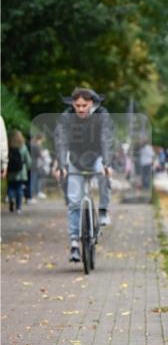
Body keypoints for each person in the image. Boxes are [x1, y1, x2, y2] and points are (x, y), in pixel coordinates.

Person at [53, 87, 115, 262]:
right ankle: (74, 243)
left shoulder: (102, 115)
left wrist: (107, 164)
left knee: (104, 174)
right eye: (77, 105)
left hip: (97, 155)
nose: (80, 109)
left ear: (92, 103)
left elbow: (106, 139)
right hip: (75, 158)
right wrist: (62, 165)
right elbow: (61, 141)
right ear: (73, 104)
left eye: (84, 105)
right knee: (74, 201)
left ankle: (103, 211)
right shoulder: (66, 117)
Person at [5, 130, 30, 214]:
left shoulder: (8, 146)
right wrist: (27, 168)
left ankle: (11, 198)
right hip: (21, 171)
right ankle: (18, 207)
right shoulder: (23, 146)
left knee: (11, 187)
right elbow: (28, 160)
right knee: (19, 188)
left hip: (10, 171)